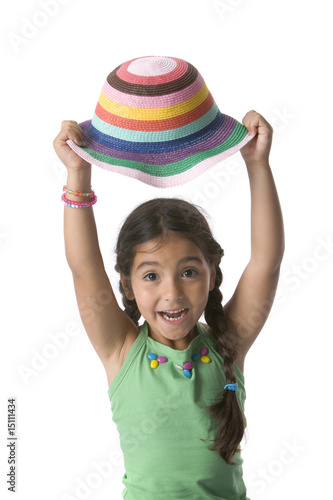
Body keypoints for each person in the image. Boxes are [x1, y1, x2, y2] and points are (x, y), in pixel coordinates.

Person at [53, 109, 284, 499]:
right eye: (151, 276)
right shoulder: (122, 350)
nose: (172, 292)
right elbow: (83, 269)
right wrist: (78, 174)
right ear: (126, 285)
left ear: (212, 273)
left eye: (189, 272)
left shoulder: (229, 342)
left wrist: (257, 164)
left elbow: (267, 262)